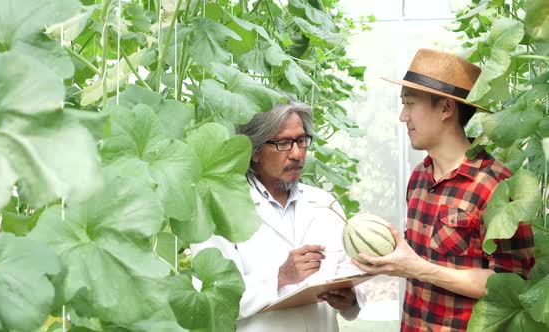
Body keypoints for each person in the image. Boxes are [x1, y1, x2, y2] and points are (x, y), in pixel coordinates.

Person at [353, 49, 536, 331]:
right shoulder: (419, 178)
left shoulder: (495, 184)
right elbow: (414, 259)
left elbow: (509, 284)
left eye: (410, 104)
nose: (403, 117)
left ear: (446, 108)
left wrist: (418, 268)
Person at [191, 100, 366, 331]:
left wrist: (350, 299)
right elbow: (214, 298)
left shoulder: (325, 204)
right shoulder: (218, 210)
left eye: (301, 141)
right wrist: (280, 277)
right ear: (254, 152)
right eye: (283, 143)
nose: (296, 153)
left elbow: (346, 271)